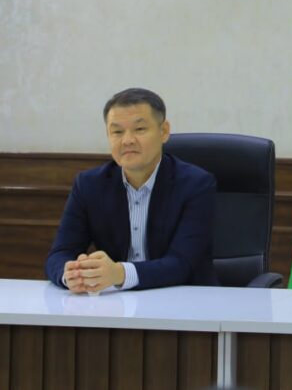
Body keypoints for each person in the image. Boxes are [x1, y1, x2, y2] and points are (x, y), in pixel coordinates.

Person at [45, 88, 218, 293]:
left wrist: (120, 273)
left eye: (139, 129)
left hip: (186, 301)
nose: (127, 140)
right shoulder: (89, 185)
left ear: (164, 131)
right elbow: (60, 253)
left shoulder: (196, 184)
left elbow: (182, 264)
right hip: (118, 303)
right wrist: (70, 275)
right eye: (117, 132)